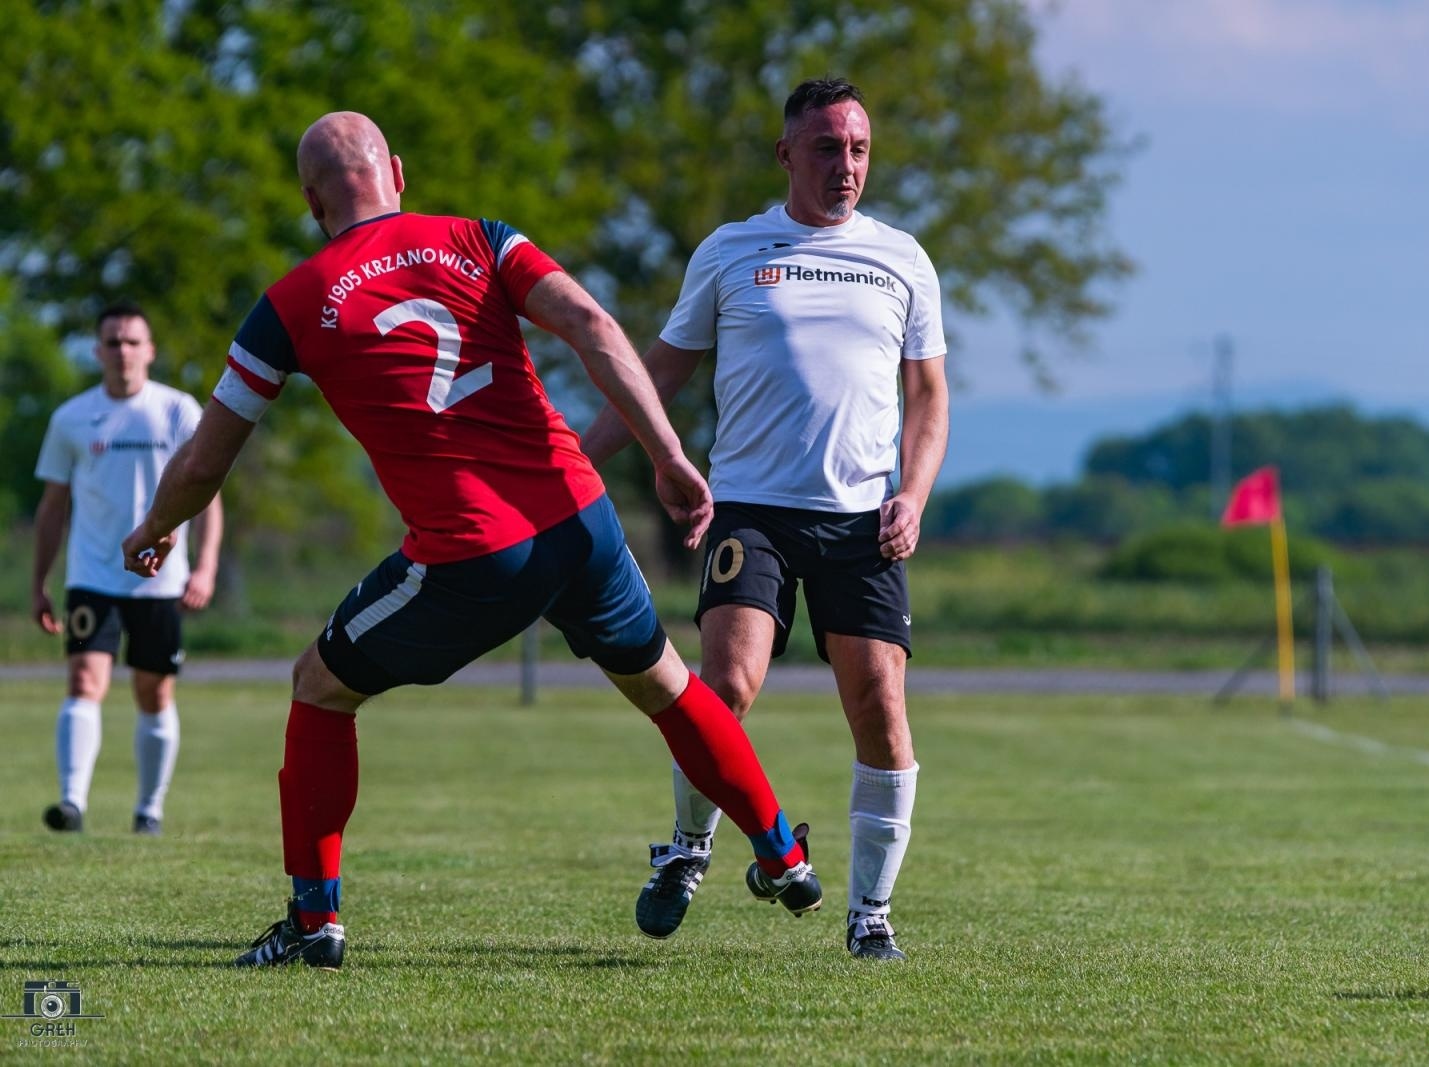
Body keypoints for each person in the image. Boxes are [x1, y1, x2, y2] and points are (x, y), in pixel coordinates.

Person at [121, 111, 822, 971]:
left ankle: (313, 923)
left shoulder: (292, 304)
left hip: (473, 552)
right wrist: (669, 454)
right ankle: (782, 850)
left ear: (312, 202)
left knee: (319, 686)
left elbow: (201, 464)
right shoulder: (481, 238)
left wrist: (154, 529)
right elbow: (596, 328)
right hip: (582, 519)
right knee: (669, 688)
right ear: (399, 173)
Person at [582, 78, 949, 961]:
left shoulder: (903, 257)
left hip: (864, 523)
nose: (845, 166)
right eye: (826, 148)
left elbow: (930, 395)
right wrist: (580, 459)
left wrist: (915, 494)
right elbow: (659, 370)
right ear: (787, 154)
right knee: (727, 685)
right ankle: (688, 847)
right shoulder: (731, 251)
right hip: (752, 510)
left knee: (881, 708)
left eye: (858, 149)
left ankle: (871, 916)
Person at [32, 302, 223, 837]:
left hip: (160, 580)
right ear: (98, 352)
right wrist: (40, 582)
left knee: (154, 692)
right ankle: (71, 804)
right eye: (112, 342)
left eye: (132, 341)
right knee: (84, 679)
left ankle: (149, 810)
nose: (122, 352)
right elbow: (52, 507)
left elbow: (207, 494)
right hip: (92, 575)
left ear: (150, 351)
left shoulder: (177, 410)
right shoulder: (71, 417)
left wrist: (203, 567)